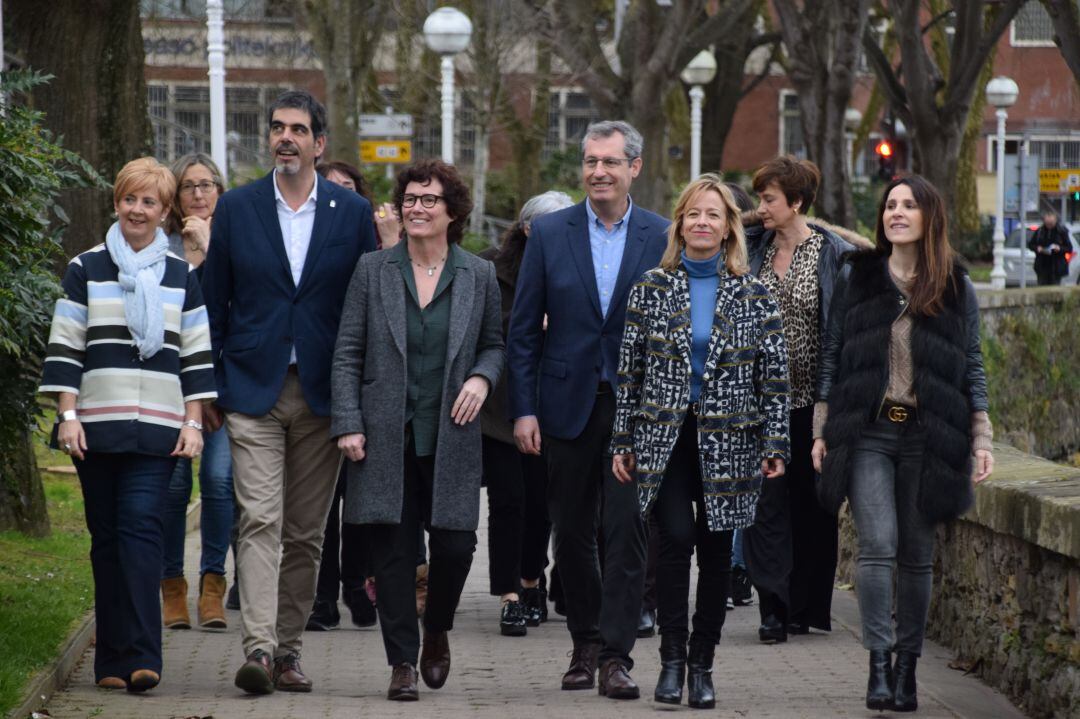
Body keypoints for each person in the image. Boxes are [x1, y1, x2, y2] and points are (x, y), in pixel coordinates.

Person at [201, 90, 377, 695]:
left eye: (298, 130)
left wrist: (360, 397)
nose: (286, 138)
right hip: (252, 390)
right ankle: (257, 646)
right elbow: (212, 303)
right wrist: (211, 386)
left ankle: (289, 651)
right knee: (259, 520)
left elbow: (365, 312)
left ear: (319, 144)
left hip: (324, 395)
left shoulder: (350, 215)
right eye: (277, 128)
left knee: (305, 532)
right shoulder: (238, 208)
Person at [811, 175, 994, 711]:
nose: (896, 212)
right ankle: (878, 665)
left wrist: (981, 438)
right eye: (890, 204)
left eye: (908, 205)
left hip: (929, 437)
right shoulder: (858, 277)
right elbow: (832, 352)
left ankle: (907, 667)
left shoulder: (955, 286)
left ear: (928, 216)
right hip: (868, 432)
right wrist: (821, 428)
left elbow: (973, 367)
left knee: (916, 555)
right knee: (878, 546)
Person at [611, 175, 789, 709]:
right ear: (680, 224)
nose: (703, 223)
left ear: (730, 226)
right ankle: (669, 659)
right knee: (675, 540)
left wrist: (775, 442)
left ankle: (701, 664)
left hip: (732, 439)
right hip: (665, 437)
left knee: (715, 553)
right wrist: (622, 438)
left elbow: (773, 376)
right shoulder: (650, 287)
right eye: (693, 214)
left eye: (714, 214)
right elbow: (630, 372)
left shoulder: (754, 293)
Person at [39, 157, 217, 692]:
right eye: (129, 199)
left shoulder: (181, 274)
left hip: (159, 429)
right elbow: (67, 346)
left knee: (141, 531)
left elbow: (197, 353)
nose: (137, 210)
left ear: (165, 212)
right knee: (107, 539)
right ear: (117, 203)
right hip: (94, 426)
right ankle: (109, 662)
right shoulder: (85, 267)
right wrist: (67, 416)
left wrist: (194, 424)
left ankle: (143, 656)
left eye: (149, 202)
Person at [331, 159, 504, 701]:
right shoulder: (373, 269)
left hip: (450, 433)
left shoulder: (477, 274)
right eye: (410, 199)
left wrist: (481, 378)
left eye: (429, 200)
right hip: (386, 435)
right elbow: (347, 353)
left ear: (452, 211)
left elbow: (495, 344)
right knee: (394, 553)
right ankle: (401, 662)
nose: (417, 208)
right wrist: (348, 423)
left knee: (455, 545)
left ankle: (438, 629)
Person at [507, 120, 669, 699]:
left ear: (635, 168)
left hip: (636, 412)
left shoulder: (661, 234)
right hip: (566, 404)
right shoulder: (550, 232)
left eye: (610, 162)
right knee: (570, 531)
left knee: (626, 531)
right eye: (590, 161)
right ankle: (584, 641)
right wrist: (523, 409)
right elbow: (523, 331)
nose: (598, 171)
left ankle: (617, 657)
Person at [742, 156, 865, 644]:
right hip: (760, 403)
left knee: (813, 505)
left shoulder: (834, 255)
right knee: (764, 504)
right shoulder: (752, 248)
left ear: (797, 202)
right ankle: (772, 606)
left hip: (815, 405)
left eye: (769, 199)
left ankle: (806, 606)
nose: (761, 208)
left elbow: (844, 337)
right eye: (759, 198)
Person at [478, 190, 573, 636]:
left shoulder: (575, 268)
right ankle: (508, 595)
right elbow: (483, 331)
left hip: (551, 405)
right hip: (500, 408)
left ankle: (532, 581)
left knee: (541, 504)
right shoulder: (490, 269)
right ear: (528, 228)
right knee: (507, 501)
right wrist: (531, 324)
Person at [158, 153, 236, 632]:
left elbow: (237, 317)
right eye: (189, 186)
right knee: (172, 486)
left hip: (223, 389)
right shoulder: (159, 249)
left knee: (221, 480)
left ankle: (213, 582)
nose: (199, 194)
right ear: (175, 196)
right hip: (169, 389)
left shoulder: (234, 244)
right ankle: (171, 585)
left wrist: (209, 252)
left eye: (208, 185)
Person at [1028, 209, 1073, 286]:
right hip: (1042, 265)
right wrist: (1038, 248)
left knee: (1055, 289)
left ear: (1055, 221)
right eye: (1047, 223)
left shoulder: (1061, 232)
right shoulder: (1040, 231)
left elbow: (1069, 248)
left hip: (1056, 266)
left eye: (1051, 223)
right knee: (1042, 289)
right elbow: (1031, 244)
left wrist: (1059, 248)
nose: (1049, 226)